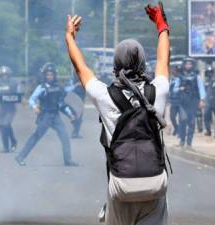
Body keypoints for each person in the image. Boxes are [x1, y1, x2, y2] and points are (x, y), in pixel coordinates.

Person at [65, 1, 170, 224]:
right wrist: (162, 26)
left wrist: (69, 37)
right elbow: (163, 60)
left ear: (115, 66)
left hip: (121, 186)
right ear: (143, 64)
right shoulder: (157, 92)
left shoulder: (105, 95)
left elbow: (80, 68)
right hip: (156, 183)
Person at [15, 63, 78, 166]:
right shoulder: (41, 87)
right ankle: (20, 156)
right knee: (37, 136)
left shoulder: (59, 87)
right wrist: (34, 107)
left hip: (55, 116)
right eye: (47, 75)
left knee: (65, 136)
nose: (50, 77)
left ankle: (68, 160)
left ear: (54, 75)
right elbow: (32, 99)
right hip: (45, 116)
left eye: (51, 74)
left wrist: (70, 114)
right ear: (44, 75)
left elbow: (62, 103)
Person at [173, 57, 206, 148]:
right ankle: (182, 140)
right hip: (183, 102)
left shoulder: (197, 76)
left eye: (190, 64)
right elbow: (174, 89)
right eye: (186, 64)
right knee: (183, 120)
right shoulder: (179, 77)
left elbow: (201, 89)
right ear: (184, 65)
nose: (188, 65)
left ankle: (189, 142)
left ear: (192, 65)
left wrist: (202, 100)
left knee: (191, 122)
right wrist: (180, 88)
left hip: (193, 102)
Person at [0, 66, 19, 153]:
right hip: (1, 108)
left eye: (6, 75)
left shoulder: (14, 83)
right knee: (1, 126)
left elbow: (19, 93)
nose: (4, 76)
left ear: (9, 75)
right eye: (2, 75)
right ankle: (6, 146)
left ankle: (13, 141)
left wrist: (22, 100)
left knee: (6, 124)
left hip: (11, 108)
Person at [203, 64, 215, 138]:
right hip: (208, 101)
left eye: (211, 72)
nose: (210, 73)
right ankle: (208, 130)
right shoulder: (205, 80)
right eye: (208, 72)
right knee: (206, 116)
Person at [65, 74, 86, 138]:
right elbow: (66, 89)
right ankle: (74, 132)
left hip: (81, 101)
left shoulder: (84, 80)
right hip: (73, 100)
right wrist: (75, 85)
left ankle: (76, 132)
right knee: (75, 117)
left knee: (79, 118)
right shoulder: (72, 81)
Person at [169, 64, 181, 136]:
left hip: (180, 99)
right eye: (171, 70)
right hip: (173, 100)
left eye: (174, 70)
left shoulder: (181, 79)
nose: (172, 72)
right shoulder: (170, 79)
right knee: (172, 117)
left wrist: (178, 89)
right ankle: (176, 128)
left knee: (181, 117)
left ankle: (180, 131)